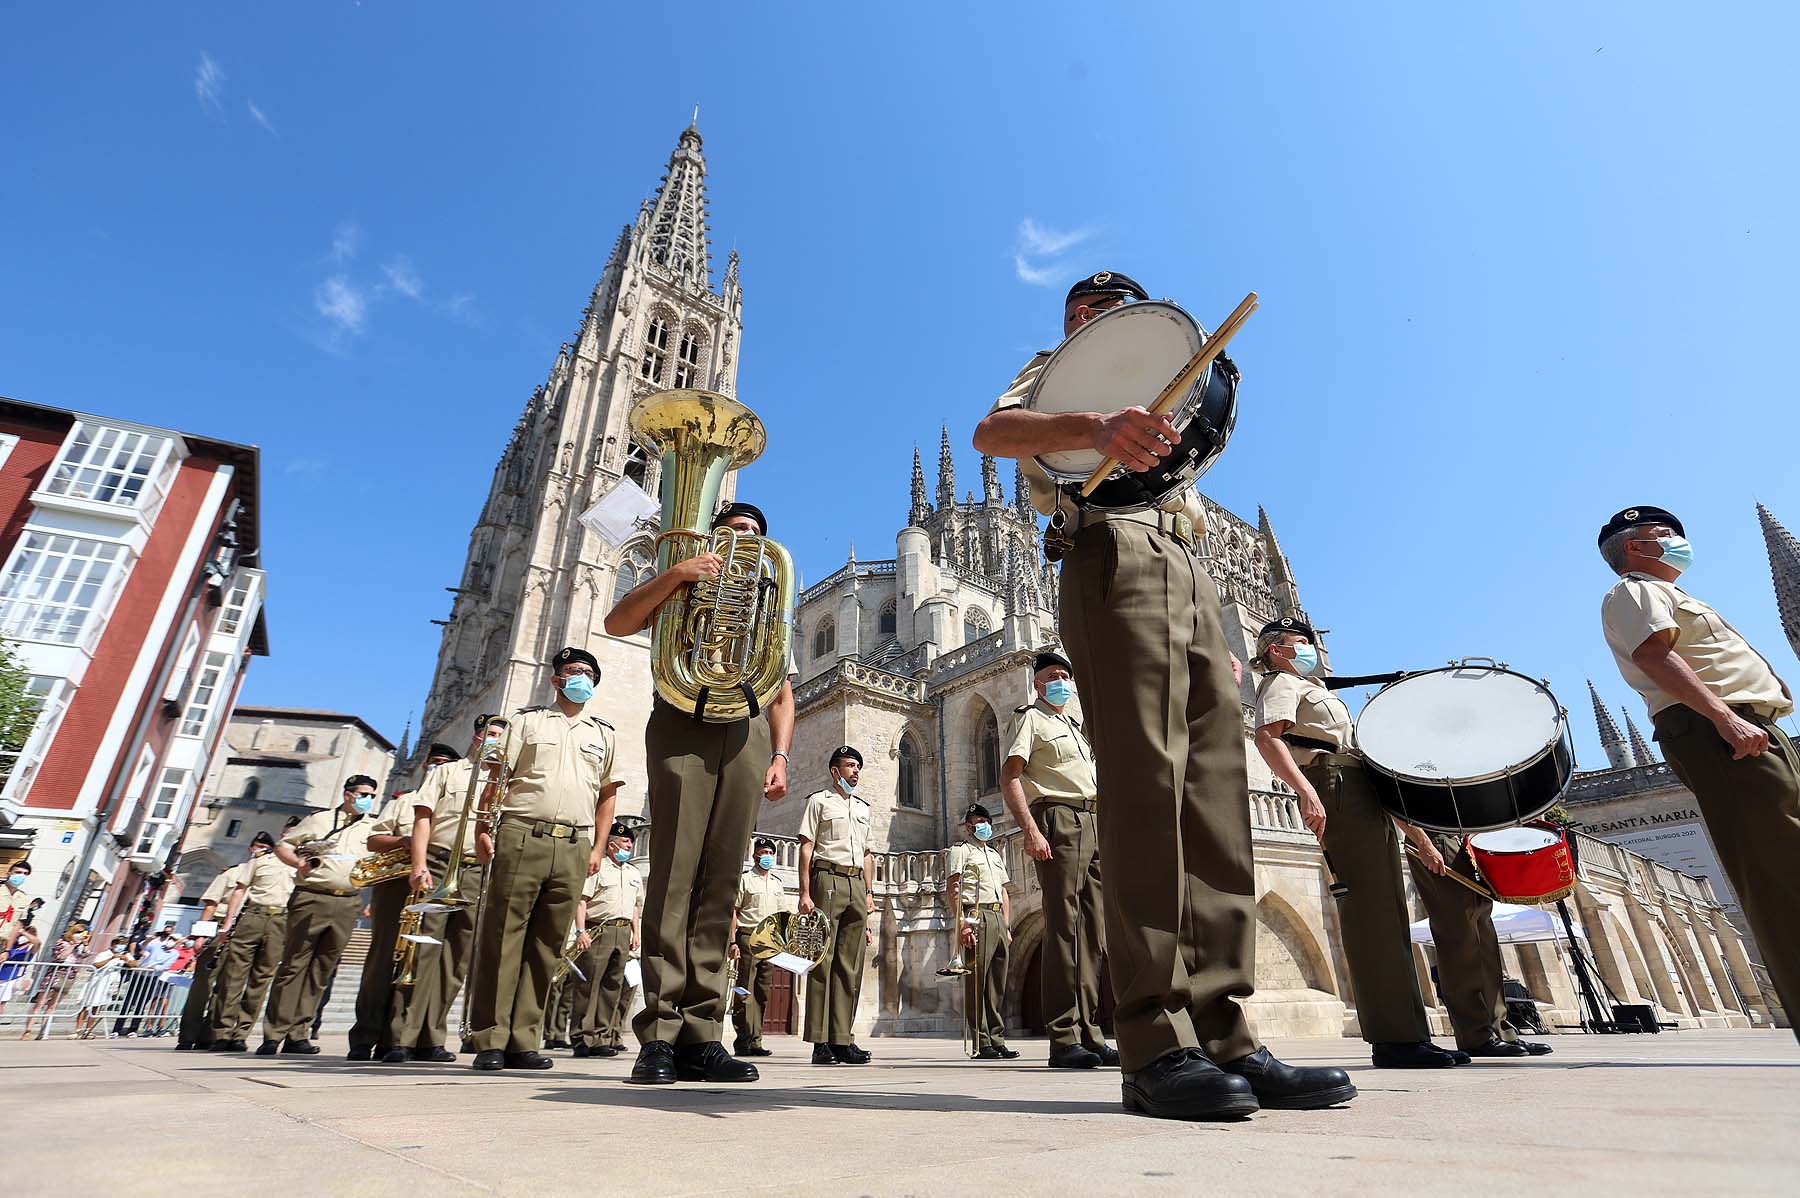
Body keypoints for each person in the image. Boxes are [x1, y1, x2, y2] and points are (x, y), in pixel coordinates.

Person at [972, 269, 1355, 1120]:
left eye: (1107, 311)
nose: (1088, 319)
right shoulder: (1051, 372)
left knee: (1214, 799)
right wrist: (1094, 424)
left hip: (1189, 575)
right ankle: (1152, 1042)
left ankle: (1227, 1032)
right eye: (1078, 310)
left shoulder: (1157, 376)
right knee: (1145, 790)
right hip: (1107, 550)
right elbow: (994, 431)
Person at [605, 501, 796, 1087]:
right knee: (673, 875)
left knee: (721, 884)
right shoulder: (680, 582)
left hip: (746, 735)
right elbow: (617, 624)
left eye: (757, 533)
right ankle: (660, 1034)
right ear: (716, 535)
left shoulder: (766, 605)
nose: (748, 539)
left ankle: (703, 1034)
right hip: (683, 722)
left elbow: (783, 692)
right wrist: (679, 574)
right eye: (737, 529)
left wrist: (781, 753)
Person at [1598, 505, 1800, 1040]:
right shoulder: (1634, 591)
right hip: (1721, 732)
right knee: (1780, 874)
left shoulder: (1675, 595)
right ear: (1634, 547)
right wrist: (1725, 718)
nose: (1679, 541)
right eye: (1664, 535)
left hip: (1751, 728)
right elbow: (1655, 657)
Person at [1251, 616, 1479, 1068]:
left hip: (1356, 783)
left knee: (1389, 915)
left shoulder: (1314, 687)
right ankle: (1395, 1039)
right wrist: (1306, 790)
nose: (1310, 648)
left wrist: (1420, 839)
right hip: (1333, 783)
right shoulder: (1280, 683)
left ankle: (1409, 1033)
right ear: (1277, 650)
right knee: (1371, 914)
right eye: (1301, 642)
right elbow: (1267, 738)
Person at [467, 647, 621, 1072]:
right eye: (575, 672)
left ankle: (523, 1039)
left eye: (589, 674)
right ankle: (491, 1039)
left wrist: (596, 847)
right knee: (504, 937)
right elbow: (498, 776)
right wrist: (483, 826)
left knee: (548, 945)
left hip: (574, 842)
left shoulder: (603, 733)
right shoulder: (526, 721)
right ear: (556, 680)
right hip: (522, 832)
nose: (582, 679)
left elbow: (608, 794)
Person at [999, 649, 1118, 1069]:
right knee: (1064, 928)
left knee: (1092, 932)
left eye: (1066, 675)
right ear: (1037, 683)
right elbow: (1010, 776)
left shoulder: (1076, 728)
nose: (1062, 681)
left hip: (1093, 819)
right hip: (1058, 818)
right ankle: (1064, 1037)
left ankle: (1091, 1033)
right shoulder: (1029, 719)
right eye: (1053, 675)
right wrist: (1030, 828)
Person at [383, 716, 507, 1064]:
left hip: (474, 871)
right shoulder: (446, 773)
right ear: (476, 736)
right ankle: (402, 1036)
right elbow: (423, 818)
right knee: (421, 951)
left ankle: (432, 1036)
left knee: (456, 959)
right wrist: (418, 864)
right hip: (439, 864)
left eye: (500, 736)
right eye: (490, 734)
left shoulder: (503, 783)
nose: (494, 740)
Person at [348, 743, 461, 1062]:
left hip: (435, 882)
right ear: (424, 766)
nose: (438, 768)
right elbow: (373, 840)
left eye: (445, 764)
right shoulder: (405, 802)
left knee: (422, 961)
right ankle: (364, 1035)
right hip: (397, 884)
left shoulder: (458, 804)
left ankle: (400, 1037)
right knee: (383, 959)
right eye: (434, 762)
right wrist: (408, 842)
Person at [256, 776, 381, 1055]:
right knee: (293, 966)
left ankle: (299, 1033)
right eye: (364, 794)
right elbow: (283, 846)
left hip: (348, 902)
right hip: (312, 897)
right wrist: (299, 863)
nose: (368, 800)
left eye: (372, 796)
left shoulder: (372, 827)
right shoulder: (319, 821)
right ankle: (274, 1034)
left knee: (321, 971)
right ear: (348, 795)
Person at [797, 746, 874, 1067]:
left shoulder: (864, 808)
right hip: (826, 878)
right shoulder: (819, 802)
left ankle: (843, 1039)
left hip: (857, 883)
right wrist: (804, 892)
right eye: (849, 766)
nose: (855, 771)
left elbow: (869, 853)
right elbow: (806, 846)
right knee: (822, 961)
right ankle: (820, 1042)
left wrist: (869, 893)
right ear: (834, 771)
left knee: (850, 965)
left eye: (858, 766)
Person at [210, 834, 294, 1051]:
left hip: (281, 920)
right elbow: (240, 890)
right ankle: (222, 1033)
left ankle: (241, 1033)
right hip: (253, 916)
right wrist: (228, 923)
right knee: (233, 976)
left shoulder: (300, 863)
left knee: (261, 979)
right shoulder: (260, 860)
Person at [946, 804, 1016, 1059]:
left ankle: (997, 1038)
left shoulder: (995, 855)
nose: (984, 825)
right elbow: (953, 889)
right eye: (979, 821)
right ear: (968, 826)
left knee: (997, 982)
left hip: (997, 917)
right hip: (976, 916)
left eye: (987, 821)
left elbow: (1004, 890)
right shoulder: (960, 851)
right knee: (977, 981)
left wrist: (1006, 924)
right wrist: (962, 924)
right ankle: (980, 1041)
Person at [573, 823, 644, 1058]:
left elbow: (635, 906)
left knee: (612, 986)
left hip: (622, 931)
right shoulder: (598, 867)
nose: (629, 846)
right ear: (612, 844)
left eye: (631, 843)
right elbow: (582, 900)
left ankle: (602, 1036)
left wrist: (636, 933)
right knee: (589, 985)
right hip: (599, 930)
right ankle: (581, 1037)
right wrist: (580, 931)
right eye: (625, 843)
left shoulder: (633, 873)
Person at [729, 835, 788, 1058]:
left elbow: (783, 916)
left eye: (770, 854)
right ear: (755, 855)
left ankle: (756, 1039)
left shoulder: (777, 883)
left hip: (770, 939)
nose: (767, 857)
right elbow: (734, 911)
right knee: (744, 988)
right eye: (763, 853)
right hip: (748, 935)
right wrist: (733, 941)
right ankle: (742, 1038)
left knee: (763, 991)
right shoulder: (745, 880)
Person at [175, 867, 242, 1050]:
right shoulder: (232, 873)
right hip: (218, 929)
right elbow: (211, 904)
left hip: (244, 932)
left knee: (227, 987)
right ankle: (187, 1036)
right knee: (202, 985)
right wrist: (200, 935)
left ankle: (208, 1036)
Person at [75, 935, 133, 1039]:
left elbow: (135, 964)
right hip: (96, 982)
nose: (121, 946)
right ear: (113, 945)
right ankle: (78, 1030)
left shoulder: (125, 955)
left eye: (123, 944)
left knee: (97, 1006)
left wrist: (127, 960)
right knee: (86, 1004)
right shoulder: (104, 954)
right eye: (119, 944)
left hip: (109, 984)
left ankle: (88, 1030)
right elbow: (96, 964)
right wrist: (111, 958)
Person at [0, 861, 30, 953]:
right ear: (9, 873)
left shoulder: (24, 898)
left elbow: (17, 926)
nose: (21, 876)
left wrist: (7, 950)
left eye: (25, 874)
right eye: (18, 872)